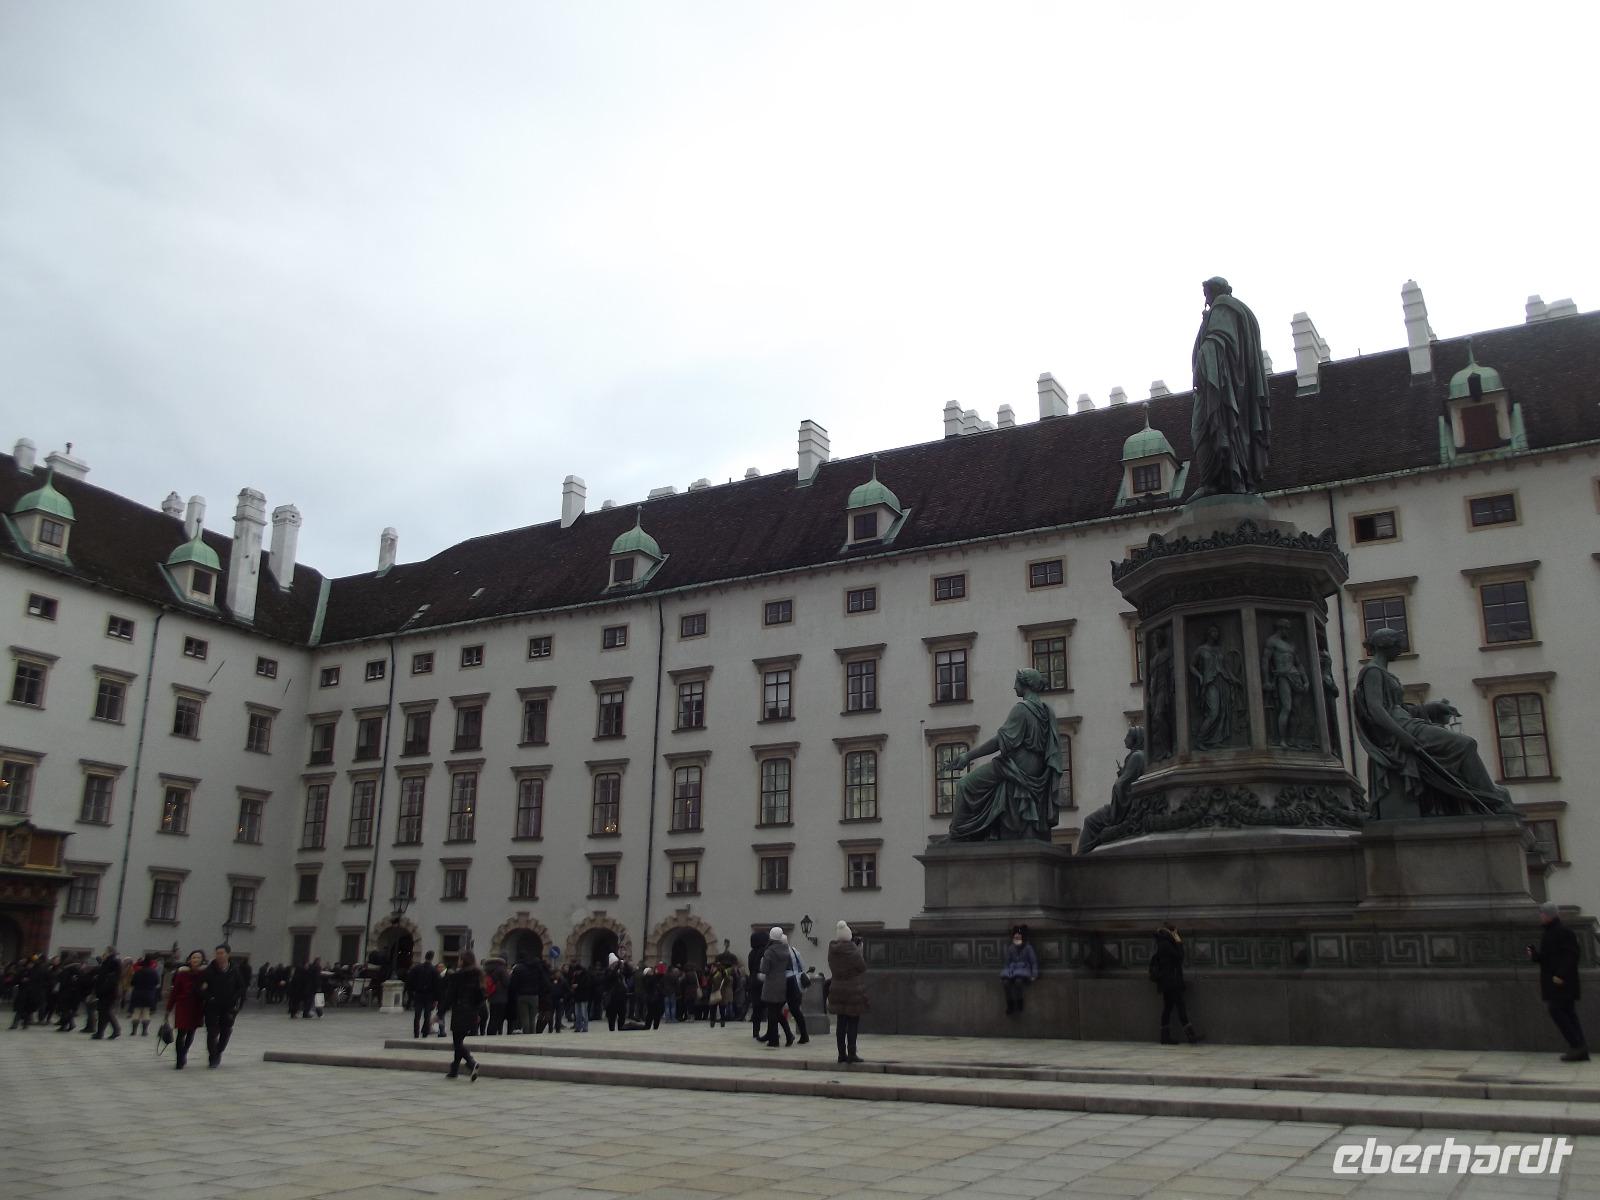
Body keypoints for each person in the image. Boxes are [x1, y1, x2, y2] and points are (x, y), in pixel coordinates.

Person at [1354, 627, 1515, 818]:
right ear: (1385, 645)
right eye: (1398, 643)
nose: (1401, 648)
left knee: (1461, 743)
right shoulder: (1372, 671)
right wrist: (1401, 735)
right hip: (1403, 729)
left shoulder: (1383, 672)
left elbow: (1399, 708)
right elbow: (1376, 710)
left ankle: (1484, 795)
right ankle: (1491, 797)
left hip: (1407, 724)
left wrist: (1432, 708)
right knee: (1465, 744)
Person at [947, 668, 1065, 842]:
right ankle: (989, 830)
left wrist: (968, 757)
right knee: (992, 785)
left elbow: (999, 742)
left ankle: (958, 835)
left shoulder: (1022, 709)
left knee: (965, 784)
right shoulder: (1047, 711)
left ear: (1025, 684)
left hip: (1014, 768)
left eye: (1016, 682)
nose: (1013, 687)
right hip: (1036, 771)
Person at [1189, 276, 1271, 498]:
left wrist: (1201, 366)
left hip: (1221, 387)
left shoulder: (1223, 307)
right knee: (1227, 430)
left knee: (1204, 430)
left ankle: (1214, 481)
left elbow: (1217, 343)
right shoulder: (1238, 311)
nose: (1205, 300)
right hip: (1236, 387)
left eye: (1206, 294)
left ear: (1213, 292)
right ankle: (1226, 478)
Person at [1529, 902, 1587, 1062]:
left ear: (1549, 915)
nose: (1540, 917)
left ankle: (1577, 1045)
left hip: (1562, 983)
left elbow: (1572, 955)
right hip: (1555, 982)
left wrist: (1561, 975)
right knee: (1569, 1013)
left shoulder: (1563, 932)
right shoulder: (1549, 933)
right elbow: (1548, 958)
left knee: (1556, 1010)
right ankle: (1580, 1048)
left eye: (1542, 914)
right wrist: (1534, 954)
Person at [1078, 728, 1146, 856]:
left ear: (1135, 738)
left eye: (1128, 736)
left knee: (1090, 821)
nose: (1125, 739)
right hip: (1129, 805)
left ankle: (1081, 860)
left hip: (1122, 809)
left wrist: (1120, 778)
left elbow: (1120, 787)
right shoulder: (1141, 755)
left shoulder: (1136, 756)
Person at [1190, 625, 1241, 749]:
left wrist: (1235, 679)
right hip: (1210, 682)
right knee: (1214, 712)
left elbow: (1226, 668)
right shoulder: (1201, 650)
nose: (1217, 634)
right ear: (1209, 633)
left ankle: (1216, 739)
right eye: (1214, 631)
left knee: (1223, 712)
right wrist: (1199, 676)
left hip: (1222, 681)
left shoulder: (1219, 650)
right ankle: (1199, 739)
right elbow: (1191, 665)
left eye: (1217, 631)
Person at [1150, 924, 1201, 1045]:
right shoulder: (1166, 944)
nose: (1177, 935)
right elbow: (1179, 957)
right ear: (1171, 933)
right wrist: (1178, 942)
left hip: (1167, 981)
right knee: (1180, 1006)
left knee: (1168, 1008)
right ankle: (1191, 1036)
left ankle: (1165, 1036)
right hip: (1172, 981)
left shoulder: (1161, 943)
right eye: (1175, 933)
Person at [1261, 618, 1309, 746]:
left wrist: (1306, 681)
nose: (1288, 631)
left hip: (1296, 677)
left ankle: (1292, 739)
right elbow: (1265, 661)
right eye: (1287, 628)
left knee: (1296, 710)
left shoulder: (1291, 645)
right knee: (1286, 707)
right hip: (1283, 677)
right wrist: (1266, 681)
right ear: (1281, 628)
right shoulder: (1272, 641)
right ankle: (1282, 739)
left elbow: (1299, 664)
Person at [827, 922, 868, 1064]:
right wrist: (859, 949)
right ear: (849, 936)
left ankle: (841, 1054)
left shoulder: (832, 950)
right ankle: (852, 1053)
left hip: (837, 988)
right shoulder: (852, 950)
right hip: (852, 990)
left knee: (841, 1023)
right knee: (852, 1022)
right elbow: (862, 967)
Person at [442, 950, 483, 1080]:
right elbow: (481, 996)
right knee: (458, 1041)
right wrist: (477, 1011)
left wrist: (440, 1013)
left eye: (459, 959)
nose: (458, 961)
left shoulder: (458, 976)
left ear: (463, 961)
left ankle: (471, 1063)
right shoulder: (478, 975)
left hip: (460, 1011)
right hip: (472, 1012)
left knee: (457, 1043)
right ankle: (454, 1070)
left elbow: (450, 996)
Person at [202, 944, 244, 1067]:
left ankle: (219, 1050)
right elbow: (201, 988)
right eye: (217, 953)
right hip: (212, 1006)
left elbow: (241, 987)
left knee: (226, 1031)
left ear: (228, 955)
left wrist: (234, 998)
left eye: (222, 953)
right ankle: (213, 1056)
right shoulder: (209, 970)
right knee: (211, 1032)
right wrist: (210, 997)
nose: (219, 955)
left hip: (228, 1006)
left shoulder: (234, 970)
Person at [165, 949, 206, 1070]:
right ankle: (179, 1059)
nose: (195, 960)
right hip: (183, 1006)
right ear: (189, 960)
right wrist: (168, 1008)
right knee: (181, 1033)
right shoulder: (182, 973)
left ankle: (184, 1052)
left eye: (198, 958)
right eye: (193, 957)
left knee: (191, 1032)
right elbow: (175, 991)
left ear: (202, 960)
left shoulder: (204, 974)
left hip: (196, 1006)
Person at [757, 927, 794, 1048]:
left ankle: (774, 1040)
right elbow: (788, 966)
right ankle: (788, 1035)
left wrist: (763, 962)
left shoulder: (769, 952)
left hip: (771, 984)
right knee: (777, 1012)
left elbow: (764, 969)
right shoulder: (786, 950)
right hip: (782, 983)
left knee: (772, 1014)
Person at [999, 925, 1038, 1016]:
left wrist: (1034, 974)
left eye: (1018, 937)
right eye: (1015, 937)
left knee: (1018, 982)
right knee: (1006, 983)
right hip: (1012, 971)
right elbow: (1007, 962)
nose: (1017, 939)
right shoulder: (1011, 948)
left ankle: (1019, 1001)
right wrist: (1006, 973)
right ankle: (1010, 1003)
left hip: (1024, 971)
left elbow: (1033, 962)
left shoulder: (1028, 948)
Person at [783, 939, 810, 1045]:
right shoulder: (794, 950)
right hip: (798, 982)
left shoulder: (783, 952)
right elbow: (802, 965)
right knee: (796, 1010)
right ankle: (804, 1034)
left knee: (789, 1009)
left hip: (789, 982)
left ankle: (798, 1034)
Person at [91, 948, 122, 1039]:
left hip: (107, 992)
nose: (104, 954)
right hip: (108, 991)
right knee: (103, 1012)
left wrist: (101, 989)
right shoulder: (111, 962)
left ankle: (114, 1030)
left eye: (106, 952)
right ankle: (101, 1032)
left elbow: (108, 978)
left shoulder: (111, 962)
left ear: (109, 952)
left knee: (105, 1011)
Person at [407, 951, 439, 1039]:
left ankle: (416, 1033)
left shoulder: (416, 968)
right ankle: (425, 1033)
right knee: (427, 1015)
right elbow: (437, 985)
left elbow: (409, 980)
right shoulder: (434, 970)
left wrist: (412, 991)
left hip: (418, 994)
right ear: (432, 958)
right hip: (429, 995)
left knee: (417, 1015)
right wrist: (436, 999)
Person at [129, 956, 161, 1036]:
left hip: (137, 993)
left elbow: (132, 982)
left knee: (136, 1011)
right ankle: (144, 1031)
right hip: (149, 994)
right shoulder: (154, 972)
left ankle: (134, 1031)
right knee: (146, 1012)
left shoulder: (138, 972)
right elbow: (157, 982)